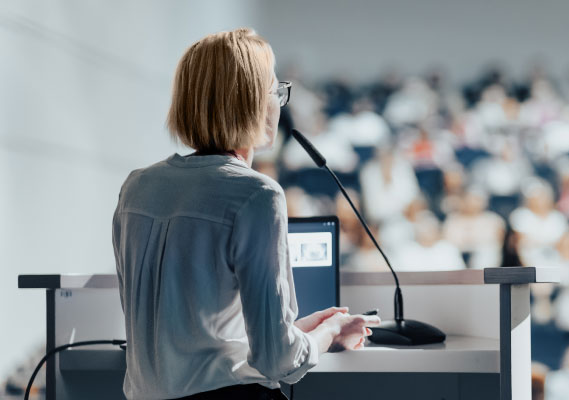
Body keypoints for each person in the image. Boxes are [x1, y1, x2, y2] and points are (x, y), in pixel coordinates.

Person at [112, 29, 380, 399]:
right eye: (275, 91)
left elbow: (197, 342)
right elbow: (278, 362)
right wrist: (329, 333)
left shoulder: (136, 188)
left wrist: (299, 331)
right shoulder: (256, 194)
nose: (279, 103)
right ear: (251, 102)